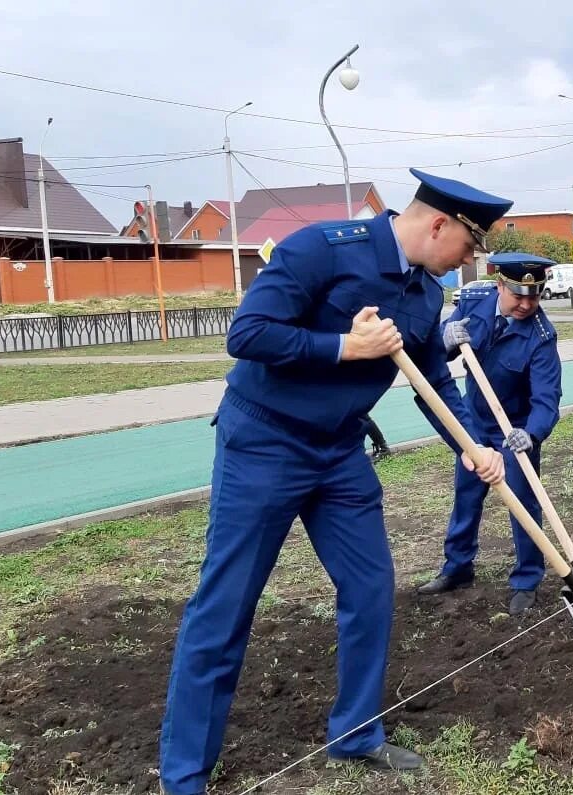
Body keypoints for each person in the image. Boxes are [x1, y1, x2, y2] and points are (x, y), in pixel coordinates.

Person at [158, 169, 512, 792]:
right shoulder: (322, 248)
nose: (468, 263)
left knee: (371, 586)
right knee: (226, 605)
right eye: (468, 248)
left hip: (340, 452)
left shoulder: (427, 295)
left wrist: (471, 442)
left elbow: (433, 382)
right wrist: (345, 348)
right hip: (264, 443)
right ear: (438, 225)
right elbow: (247, 335)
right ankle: (184, 774)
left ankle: (356, 733)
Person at [417, 253, 564, 615]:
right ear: (500, 285)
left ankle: (527, 580)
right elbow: (438, 355)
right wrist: (445, 338)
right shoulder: (472, 304)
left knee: (523, 504)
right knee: (466, 497)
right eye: (518, 295)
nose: (527, 304)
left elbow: (547, 398)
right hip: (475, 423)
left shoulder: (542, 336)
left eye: (535, 296)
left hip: (515, 429)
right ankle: (457, 568)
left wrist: (531, 434)